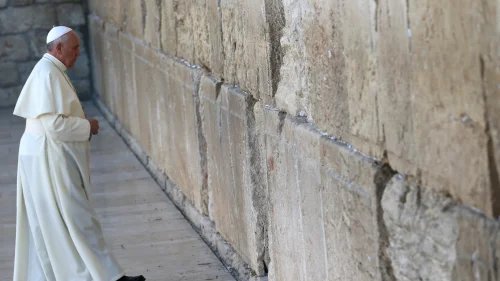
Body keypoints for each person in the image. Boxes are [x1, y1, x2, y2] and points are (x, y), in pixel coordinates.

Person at [12, 26, 145, 281]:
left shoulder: (51, 70)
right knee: (76, 219)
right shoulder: (47, 73)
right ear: (58, 48)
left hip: (44, 157)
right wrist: (88, 126)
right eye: (74, 48)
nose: (78, 53)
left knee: (58, 223)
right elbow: (55, 126)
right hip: (48, 159)